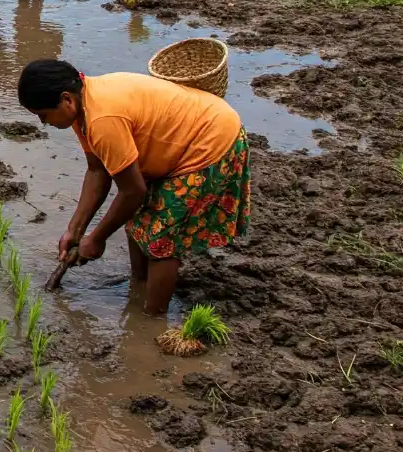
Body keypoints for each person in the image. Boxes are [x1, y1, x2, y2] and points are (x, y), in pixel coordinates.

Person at [17, 60, 250, 315]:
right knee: (137, 221)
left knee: (161, 235)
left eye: (43, 114)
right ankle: (139, 286)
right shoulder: (84, 104)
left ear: (66, 100)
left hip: (210, 141)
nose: (43, 122)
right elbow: (97, 170)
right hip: (184, 138)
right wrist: (74, 230)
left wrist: (96, 239)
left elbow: (133, 192)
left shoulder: (103, 119)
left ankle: (151, 319)